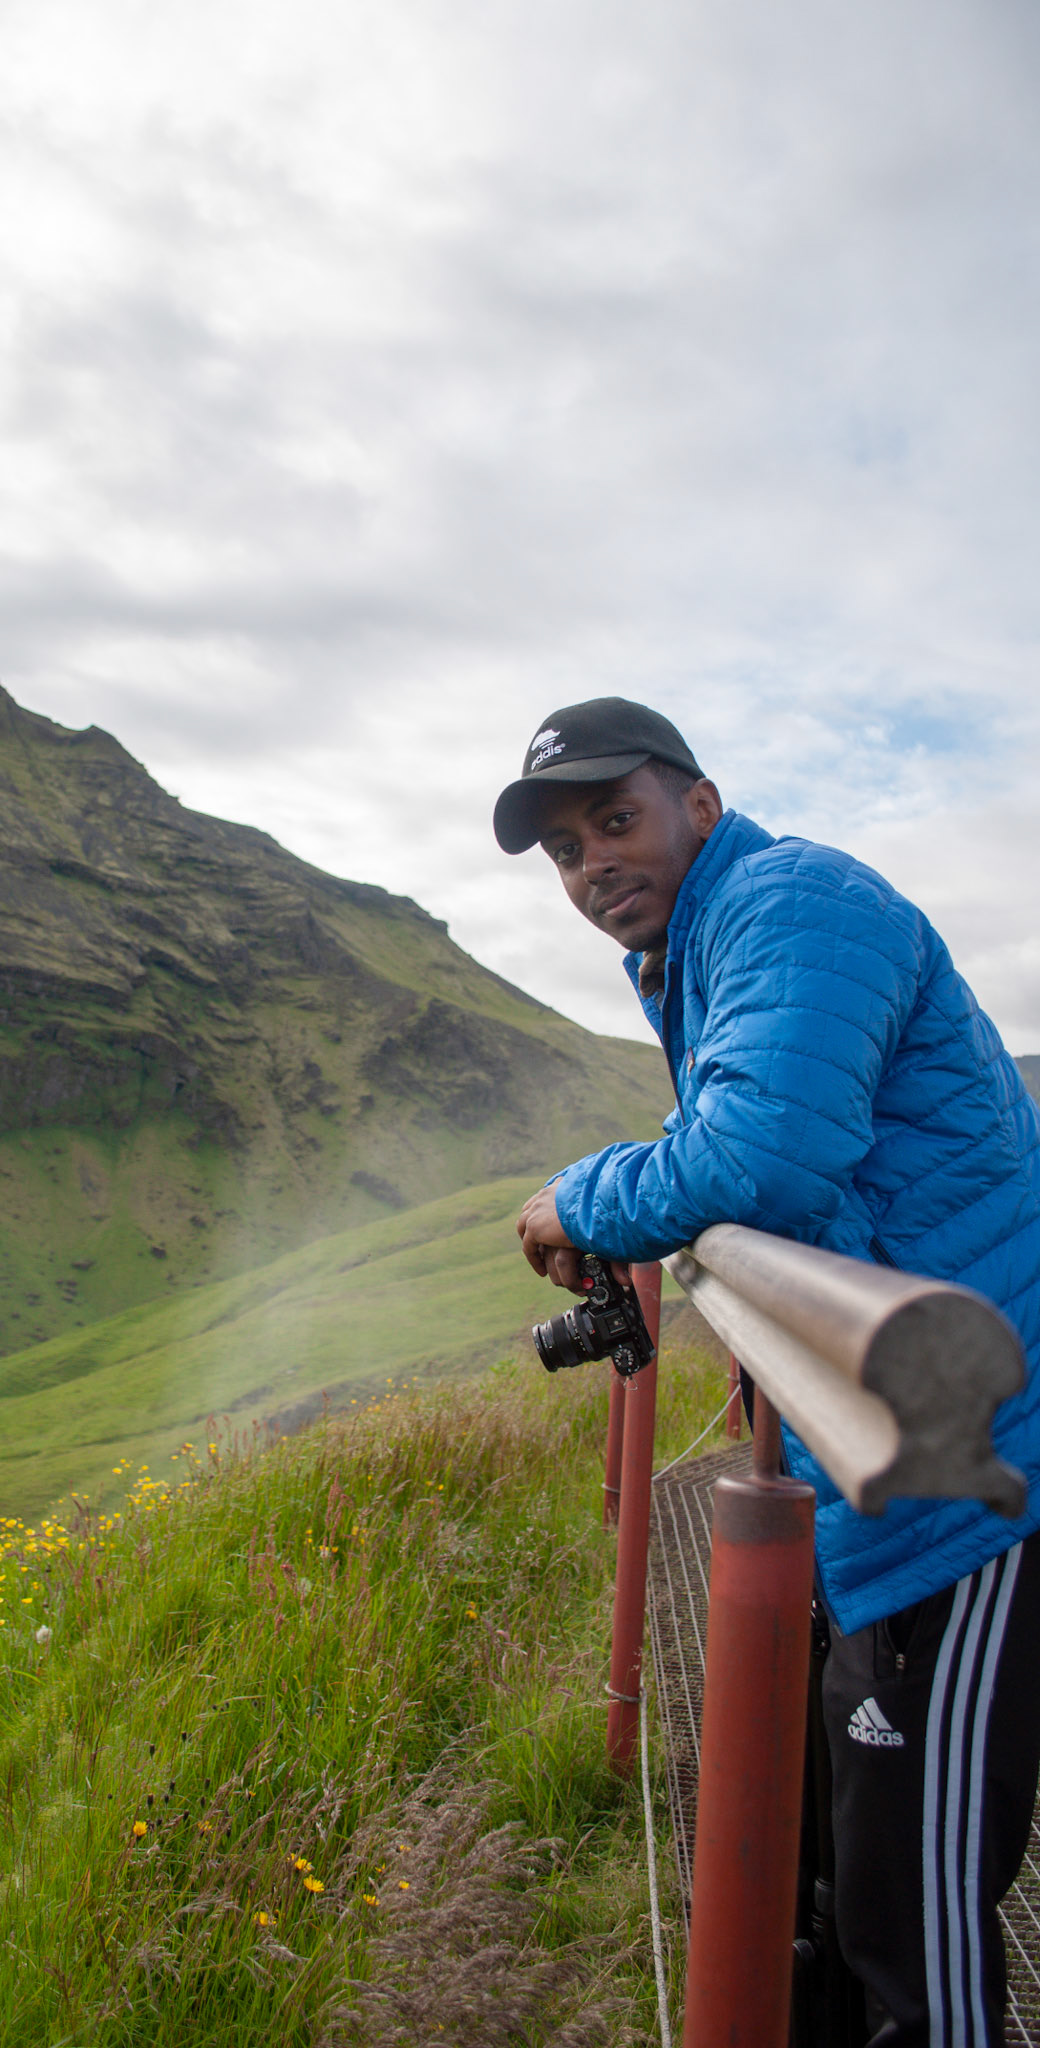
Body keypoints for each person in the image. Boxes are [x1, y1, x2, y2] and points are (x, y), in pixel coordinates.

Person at [494, 697, 1040, 2048]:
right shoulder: (709, 945)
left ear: (701, 805)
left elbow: (760, 1160)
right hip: (895, 1452)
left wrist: (580, 1195)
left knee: (919, 1922)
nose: (592, 864)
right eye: (564, 849)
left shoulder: (793, 904)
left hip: (975, 1464)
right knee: (864, 1880)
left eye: (614, 819)